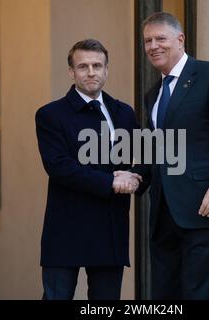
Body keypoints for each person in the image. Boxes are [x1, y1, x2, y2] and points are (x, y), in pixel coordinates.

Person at [132, 12, 209, 299]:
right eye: (148, 40)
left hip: (206, 210)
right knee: (165, 296)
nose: (153, 46)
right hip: (164, 215)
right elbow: (156, 147)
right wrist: (135, 175)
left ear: (180, 39)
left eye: (161, 38)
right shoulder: (153, 94)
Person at [35, 39, 142, 300]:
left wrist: (137, 177)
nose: (91, 72)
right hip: (66, 229)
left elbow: (140, 158)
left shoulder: (124, 113)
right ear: (71, 72)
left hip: (110, 228)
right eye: (83, 66)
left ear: (107, 70)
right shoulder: (51, 115)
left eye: (97, 65)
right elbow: (59, 166)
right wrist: (110, 183)